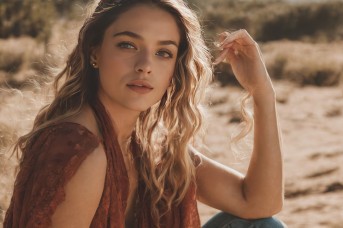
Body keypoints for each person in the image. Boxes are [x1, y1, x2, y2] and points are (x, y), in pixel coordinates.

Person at [4, 0, 286, 227]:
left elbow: (259, 202)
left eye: (163, 52)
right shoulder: (80, 149)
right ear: (95, 52)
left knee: (263, 226)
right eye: (128, 45)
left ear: (175, 69)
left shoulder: (149, 148)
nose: (145, 65)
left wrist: (262, 92)